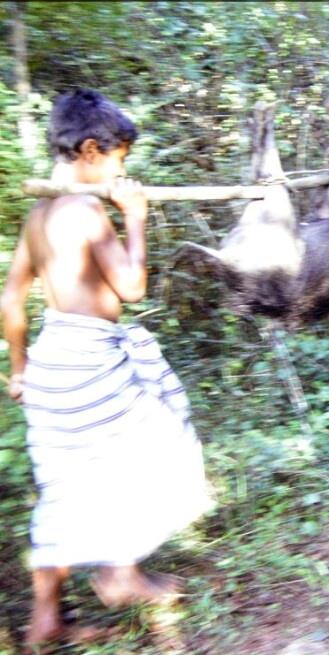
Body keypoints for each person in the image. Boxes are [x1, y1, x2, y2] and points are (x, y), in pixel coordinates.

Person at [0, 89, 212, 649]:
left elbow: (10, 300)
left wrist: (20, 369)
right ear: (92, 151)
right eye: (120, 161)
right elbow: (132, 286)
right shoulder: (86, 211)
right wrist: (135, 218)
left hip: (51, 364)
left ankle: (45, 621)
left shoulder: (38, 216)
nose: (123, 174)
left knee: (65, 485)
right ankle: (120, 574)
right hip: (88, 361)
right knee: (163, 439)